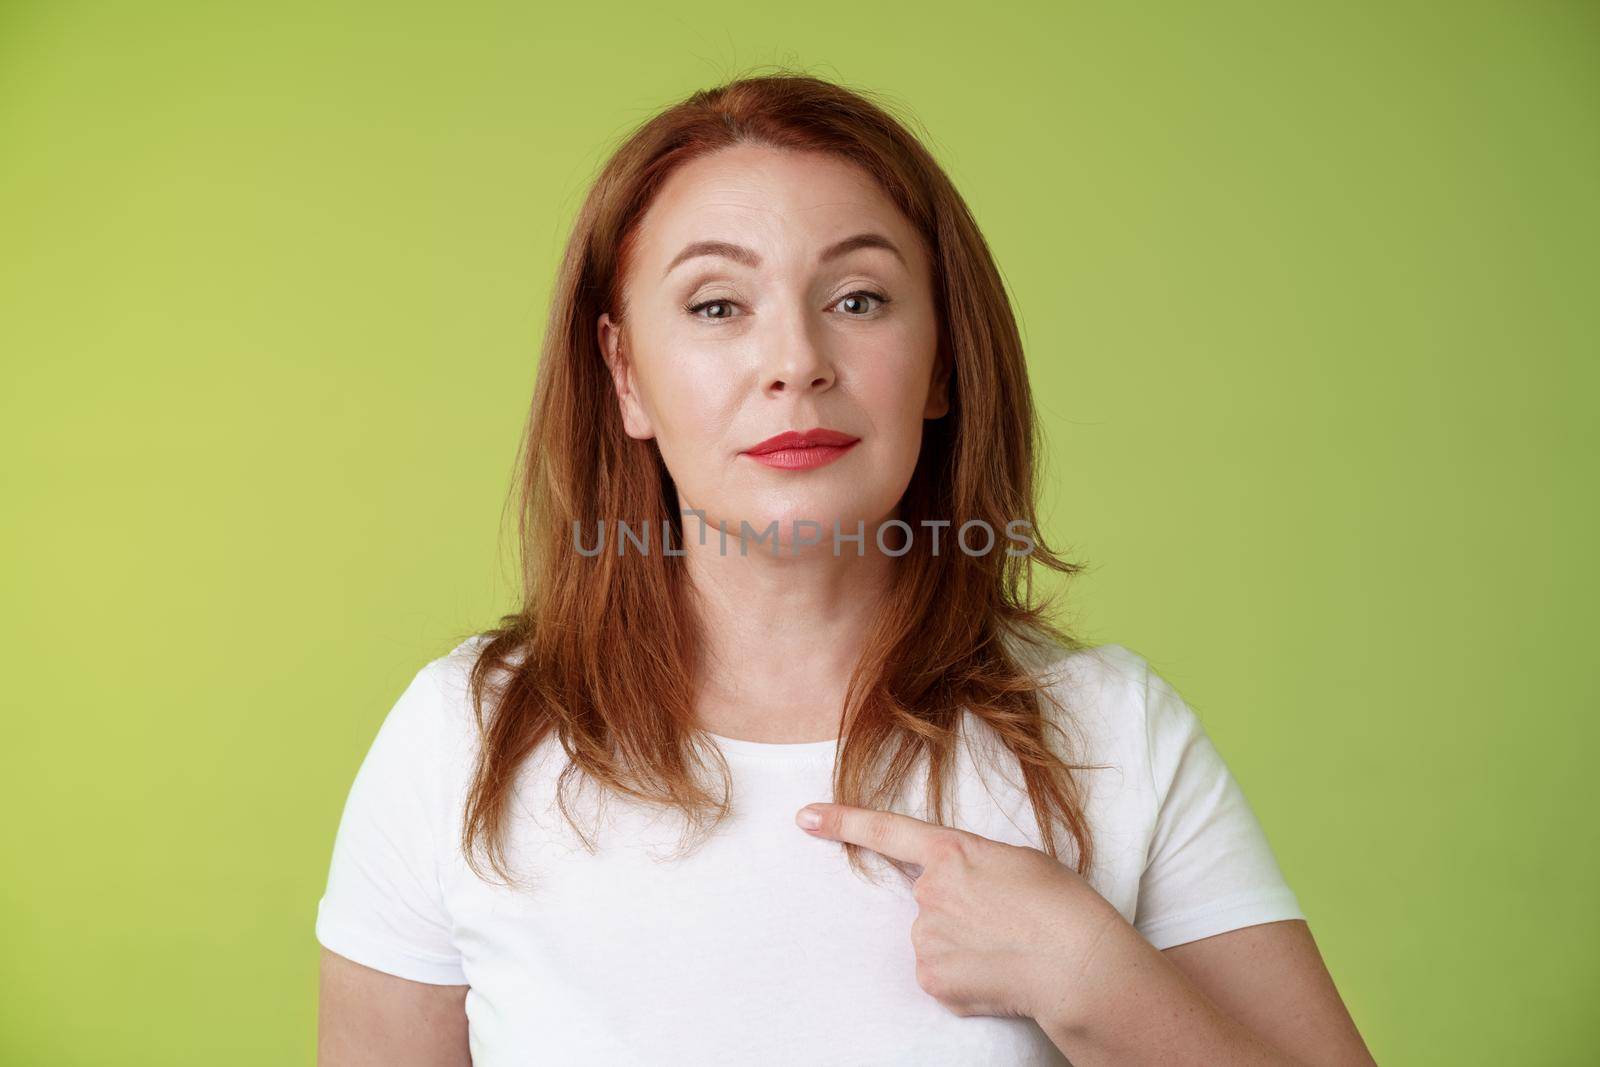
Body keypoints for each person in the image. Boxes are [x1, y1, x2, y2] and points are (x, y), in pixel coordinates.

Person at [315, 72, 1375, 1066]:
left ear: (942, 362)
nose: (797, 361)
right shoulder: (461, 741)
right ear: (625, 374)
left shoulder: (1111, 735)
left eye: (858, 298)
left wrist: (1097, 977)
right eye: (717, 306)